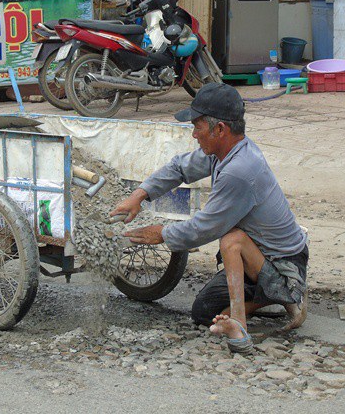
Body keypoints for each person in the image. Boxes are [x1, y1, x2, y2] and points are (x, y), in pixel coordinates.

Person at [110, 83, 308, 354]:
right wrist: (140, 194)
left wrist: (162, 234)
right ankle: (272, 298)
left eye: (197, 127)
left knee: (231, 240)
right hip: (260, 256)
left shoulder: (239, 170)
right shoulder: (224, 152)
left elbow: (206, 227)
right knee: (203, 313)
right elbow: (180, 167)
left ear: (220, 129)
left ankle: (268, 304)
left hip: (282, 264)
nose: (193, 135)